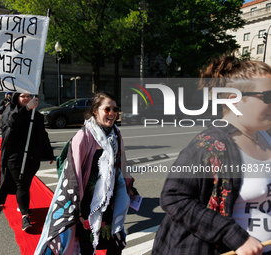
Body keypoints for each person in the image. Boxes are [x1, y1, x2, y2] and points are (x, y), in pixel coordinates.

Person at [152, 55, 271, 255]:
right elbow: (174, 197)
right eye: (267, 96)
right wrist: (237, 238)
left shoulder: (265, 136)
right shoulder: (209, 144)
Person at [35, 92, 136, 255]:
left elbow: (121, 163)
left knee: (115, 244)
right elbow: (72, 174)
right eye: (107, 109)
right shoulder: (83, 136)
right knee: (87, 247)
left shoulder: (115, 134)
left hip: (109, 200)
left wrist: (128, 186)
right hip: (87, 203)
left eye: (115, 109)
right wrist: (78, 210)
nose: (112, 114)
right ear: (95, 111)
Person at [0, 93, 54, 231]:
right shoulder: (9, 111)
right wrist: (26, 108)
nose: (26, 98)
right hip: (15, 157)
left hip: (33, 157)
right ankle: (25, 215)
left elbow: (43, 135)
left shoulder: (37, 116)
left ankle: (22, 204)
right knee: (21, 183)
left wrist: (49, 153)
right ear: (17, 97)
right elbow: (11, 122)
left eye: (29, 96)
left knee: (25, 183)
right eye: (23, 96)